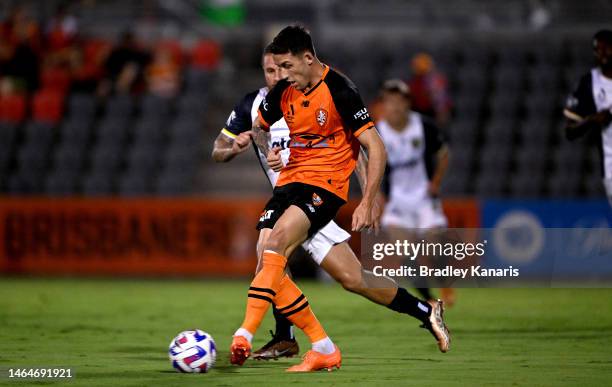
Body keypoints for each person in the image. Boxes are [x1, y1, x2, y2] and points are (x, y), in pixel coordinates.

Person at [222, 25, 450, 372]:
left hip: (323, 187)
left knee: (272, 248)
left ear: (308, 59)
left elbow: (373, 146)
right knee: (353, 278)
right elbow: (259, 126)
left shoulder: (340, 90)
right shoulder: (282, 92)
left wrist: (369, 199)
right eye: (275, 69)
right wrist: (260, 146)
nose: (281, 76)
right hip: (290, 187)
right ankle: (425, 311)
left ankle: (246, 335)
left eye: (286, 67)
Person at [376, 79, 455, 306]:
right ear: (384, 105)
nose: (395, 107)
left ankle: (444, 283)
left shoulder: (423, 126)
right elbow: (369, 164)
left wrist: (436, 183)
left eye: (400, 101)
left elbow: (443, 154)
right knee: (404, 253)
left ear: (408, 103)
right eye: (390, 101)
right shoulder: (378, 132)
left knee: (434, 244)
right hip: (397, 202)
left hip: (423, 199)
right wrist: (376, 195)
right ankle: (429, 300)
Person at [564, 29, 612, 206]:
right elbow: (570, 130)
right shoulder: (589, 83)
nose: (602, 53)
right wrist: (592, 120)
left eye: (607, 48)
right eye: (597, 49)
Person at [407, 53, 451, 128]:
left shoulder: (436, 81)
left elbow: (442, 106)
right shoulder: (412, 84)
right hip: (417, 114)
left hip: (432, 115)